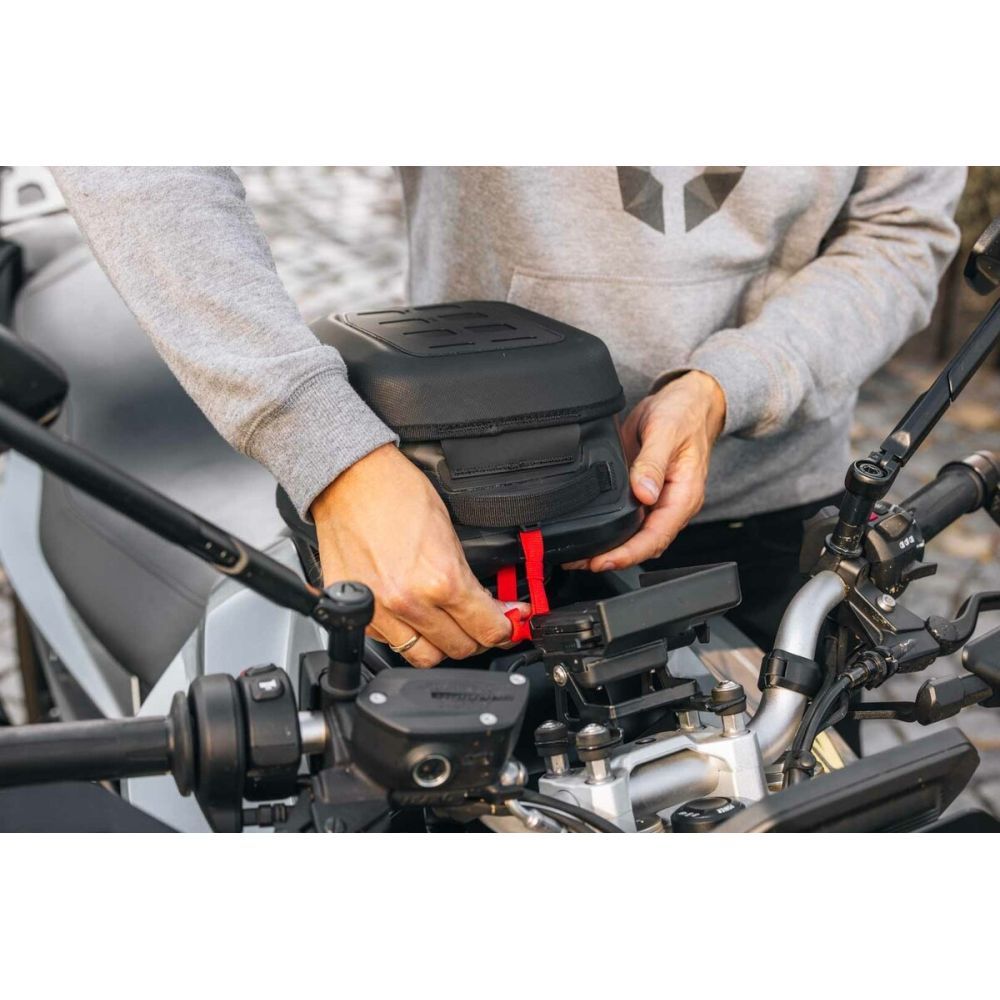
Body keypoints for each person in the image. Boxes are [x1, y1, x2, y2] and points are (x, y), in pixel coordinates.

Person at [53, 166, 965, 662]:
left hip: (769, 512)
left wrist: (730, 383)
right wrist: (329, 452)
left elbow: (903, 229)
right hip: (457, 527)